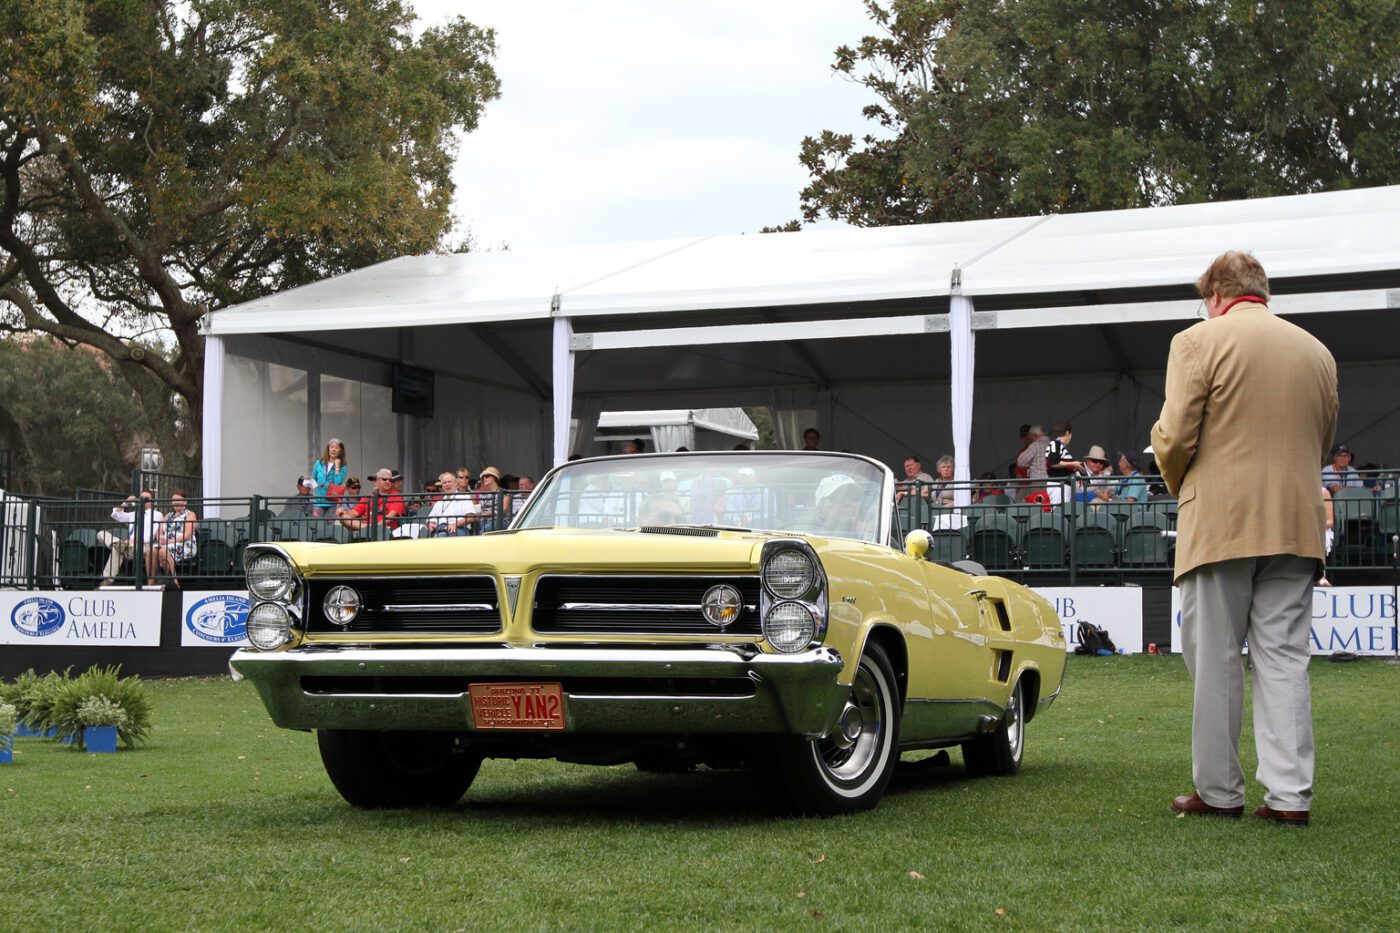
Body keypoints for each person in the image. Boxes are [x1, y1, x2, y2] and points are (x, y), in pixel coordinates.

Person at [1153, 250, 1337, 828]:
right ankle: (1290, 798)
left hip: (1221, 523)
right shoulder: (1317, 352)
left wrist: (1174, 471)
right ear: (1262, 290)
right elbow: (1322, 438)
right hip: (1295, 522)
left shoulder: (1197, 341)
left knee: (1215, 662)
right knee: (1284, 660)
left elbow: (1177, 434)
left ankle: (1219, 790)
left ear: (1214, 295)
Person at [98, 490, 162, 586]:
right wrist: (126, 503)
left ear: (151, 502)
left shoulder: (157, 514)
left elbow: (150, 536)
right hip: (128, 546)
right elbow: (115, 515)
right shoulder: (133, 514)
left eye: (146, 498)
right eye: (141, 498)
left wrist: (133, 540)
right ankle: (118, 545)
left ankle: (107, 580)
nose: (143, 500)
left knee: (118, 550)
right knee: (101, 534)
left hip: (143, 546)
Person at [152, 490, 198, 587]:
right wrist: (160, 538)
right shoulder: (168, 515)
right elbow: (160, 530)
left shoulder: (190, 514)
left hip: (185, 544)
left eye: (178, 500)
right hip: (167, 543)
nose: (175, 502)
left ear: (185, 502)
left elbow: (188, 534)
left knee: (163, 551)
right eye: (173, 500)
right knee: (151, 550)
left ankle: (173, 580)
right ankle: (151, 581)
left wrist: (169, 541)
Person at [426, 472, 479, 536]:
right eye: (444, 483)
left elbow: (471, 517)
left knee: (439, 538)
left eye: (449, 482)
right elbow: (430, 520)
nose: (447, 484)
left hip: (459, 529)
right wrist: (430, 524)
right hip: (440, 529)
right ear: (442, 486)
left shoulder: (464, 497)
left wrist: (455, 524)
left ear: (455, 483)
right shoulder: (438, 503)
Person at [1045, 421, 1082, 504]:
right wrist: (1073, 464)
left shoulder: (1059, 445)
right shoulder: (1055, 443)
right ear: (1068, 433)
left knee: (1062, 512)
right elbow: (1053, 462)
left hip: (1062, 486)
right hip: (1058, 486)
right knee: (1059, 513)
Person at [311, 439, 349, 517]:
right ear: (328, 448)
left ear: (340, 450)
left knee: (330, 527)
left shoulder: (343, 467)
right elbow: (313, 479)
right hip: (319, 501)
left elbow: (338, 482)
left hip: (333, 502)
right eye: (332, 447)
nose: (333, 449)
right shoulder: (319, 463)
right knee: (317, 525)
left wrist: (337, 467)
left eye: (337, 447)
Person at [1016, 425, 1050, 501]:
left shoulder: (1036, 445)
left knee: (1038, 506)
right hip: (1053, 482)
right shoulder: (1054, 443)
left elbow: (1020, 462)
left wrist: (1030, 463)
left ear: (1035, 435)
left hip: (1038, 482)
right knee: (1049, 504)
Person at [475, 466, 511, 532]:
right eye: (483, 477)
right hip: (485, 521)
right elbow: (481, 510)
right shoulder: (484, 494)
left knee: (484, 531)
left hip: (500, 521)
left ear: (494, 478)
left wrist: (490, 513)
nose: (484, 478)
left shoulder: (504, 492)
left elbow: (504, 509)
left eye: (487, 476)